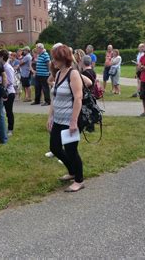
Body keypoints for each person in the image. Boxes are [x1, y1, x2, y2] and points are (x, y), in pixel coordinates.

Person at [47, 44, 84, 192]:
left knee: (71, 151)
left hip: (70, 120)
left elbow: (78, 98)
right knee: (54, 148)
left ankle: (79, 180)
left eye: (56, 59)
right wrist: (50, 116)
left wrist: (73, 121)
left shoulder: (73, 74)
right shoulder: (57, 74)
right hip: (58, 119)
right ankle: (72, 171)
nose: (53, 62)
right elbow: (54, 98)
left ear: (64, 59)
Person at [0, 49, 16, 136]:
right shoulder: (1, 67)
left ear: (2, 57)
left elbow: (11, 81)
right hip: (2, 92)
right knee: (0, 111)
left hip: (9, 92)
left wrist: (2, 84)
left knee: (9, 112)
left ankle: (10, 129)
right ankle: (0, 129)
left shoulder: (8, 68)